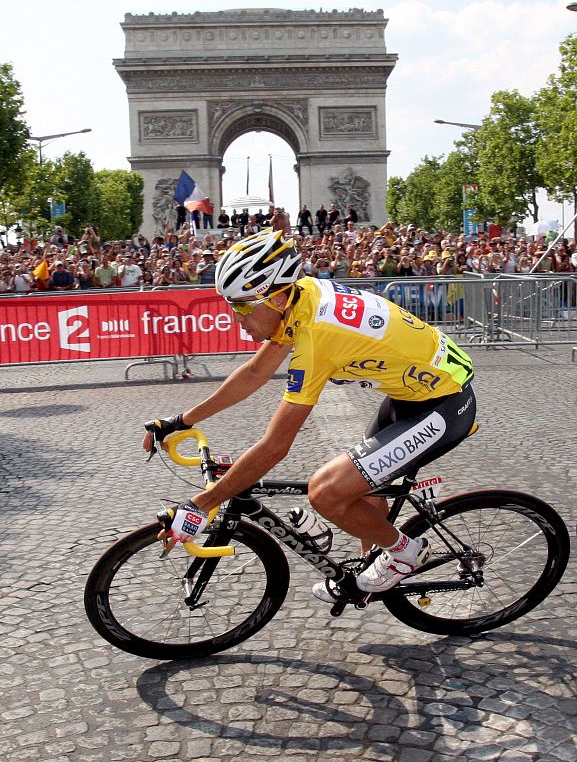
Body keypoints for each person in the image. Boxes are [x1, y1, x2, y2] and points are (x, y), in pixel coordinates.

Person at [143, 229, 476, 602]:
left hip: (443, 404)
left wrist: (202, 504)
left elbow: (275, 446)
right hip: (411, 394)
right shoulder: (301, 299)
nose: (236, 317)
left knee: (327, 493)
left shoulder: (318, 334)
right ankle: (370, 568)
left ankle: (405, 553)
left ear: (279, 295)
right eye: (230, 306)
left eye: (243, 306)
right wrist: (182, 420)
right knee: (362, 490)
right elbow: (255, 373)